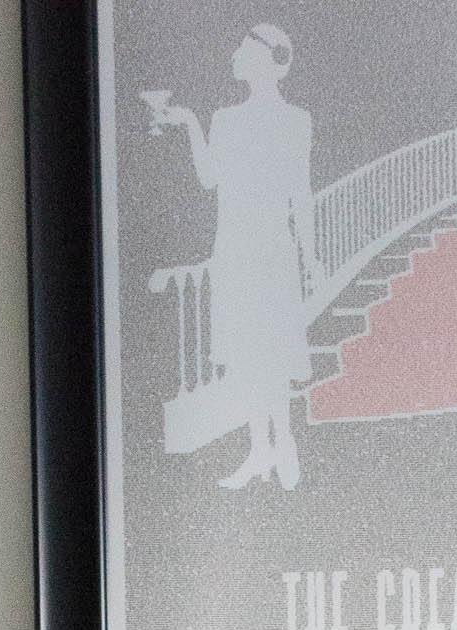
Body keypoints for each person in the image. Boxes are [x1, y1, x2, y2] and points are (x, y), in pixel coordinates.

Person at [148, 26, 316, 490]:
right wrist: (188, 123)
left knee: (273, 351)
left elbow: (299, 192)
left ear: (267, 59)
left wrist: (312, 255)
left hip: (274, 248)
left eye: (245, 48)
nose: (236, 54)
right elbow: (209, 178)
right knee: (247, 353)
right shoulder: (224, 118)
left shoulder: (295, 120)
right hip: (235, 249)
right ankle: (260, 449)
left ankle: (284, 443)